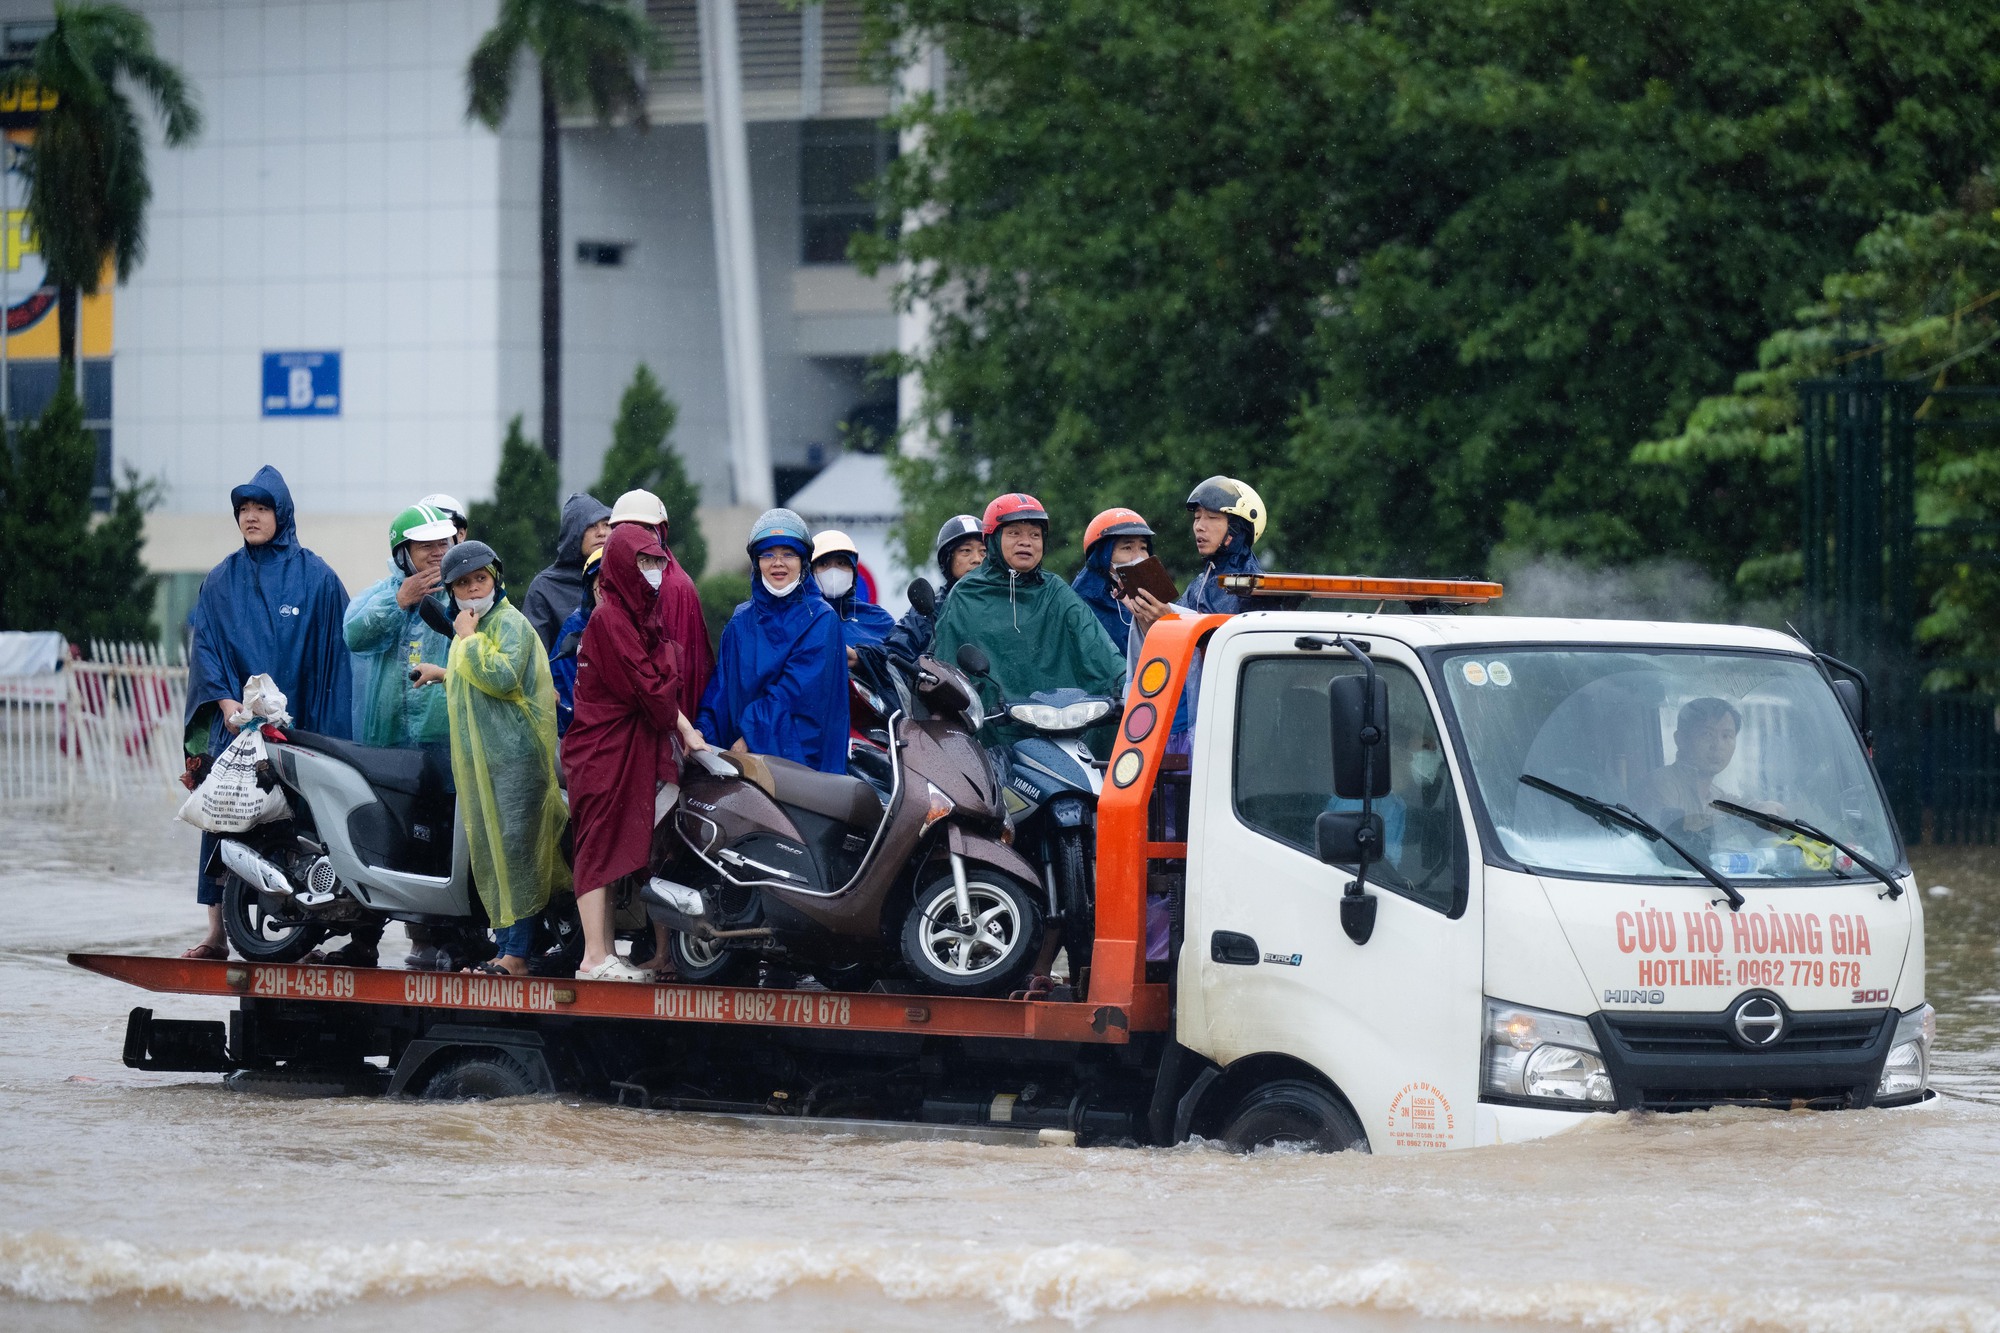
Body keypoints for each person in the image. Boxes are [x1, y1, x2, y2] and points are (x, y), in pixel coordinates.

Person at [181, 466, 352, 961]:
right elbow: (206, 647)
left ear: (282, 514)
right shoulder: (220, 580)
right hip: (233, 727)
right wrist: (226, 701)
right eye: (243, 510)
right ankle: (216, 933)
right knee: (223, 818)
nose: (251, 518)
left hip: (295, 732)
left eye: (261, 509)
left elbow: (339, 653)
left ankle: (305, 933)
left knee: (301, 829)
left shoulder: (316, 577)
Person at [565, 524, 710, 982]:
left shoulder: (637, 615)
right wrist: (669, 671)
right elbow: (653, 690)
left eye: (656, 562)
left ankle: (604, 953)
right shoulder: (611, 619)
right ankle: (594, 956)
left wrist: (684, 725)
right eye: (642, 563)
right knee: (597, 849)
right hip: (603, 753)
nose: (650, 572)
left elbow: (659, 686)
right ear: (622, 567)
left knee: (609, 852)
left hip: (621, 750)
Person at [421, 541, 570, 977]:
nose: (472, 589)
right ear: (451, 592)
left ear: (496, 579)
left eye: (479, 579)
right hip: (485, 766)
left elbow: (502, 678)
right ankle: (506, 947)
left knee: (517, 856)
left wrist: (465, 639)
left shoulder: (508, 624)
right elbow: (474, 686)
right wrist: (442, 672)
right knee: (495, 857)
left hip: (516, 763)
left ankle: (518, 953)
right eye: (463, 584)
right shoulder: (473, 629)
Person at [337, 501, 458, 970]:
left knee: (440, 840)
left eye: (442, 544)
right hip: (385, 744)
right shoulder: (378, 594)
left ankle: (437, 939)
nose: (435, 553)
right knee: (382, 838)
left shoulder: (461, 594)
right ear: (402, 551)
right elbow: (355, 635)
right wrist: (400, 600)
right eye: (425, 545)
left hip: (444, 745)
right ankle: (364, 938)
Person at [928, 493, 1128, 749]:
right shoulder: (965, 595)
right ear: (993, 539)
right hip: (990, 737)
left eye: (1035, 535)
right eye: (1014, 533)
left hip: (1061, 733)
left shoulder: (1056, 591)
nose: (1026, 542)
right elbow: (948, 671)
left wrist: (1130, 684)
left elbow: (1097, 648)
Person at [697, 509, 849, 773]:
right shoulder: (740, 621)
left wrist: (751, 735)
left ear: (803, 562)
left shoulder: (821, 619)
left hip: (795, 766)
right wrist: (701, 730)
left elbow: (796, 693)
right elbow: (721, 688)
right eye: (768, 554)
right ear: (757, 562)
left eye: (788, 554)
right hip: (739, 763)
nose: (778, 563)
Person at [610, 488, 715, 727]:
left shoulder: (676, 587)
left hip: (666, 722)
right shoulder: (612, 580)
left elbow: (685, 671)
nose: (637, 536)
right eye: (628, 527)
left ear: (661, 534)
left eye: (646, 528)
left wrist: (680, 729)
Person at [1633, 698, 1762, 850]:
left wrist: (1764, 808)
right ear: (1680, 739)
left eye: (1726, 736)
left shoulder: (1716, 795)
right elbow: (1670, 844)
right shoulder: (1662, 784)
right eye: (1707, 734)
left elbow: (1745, 807)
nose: (1717, 746)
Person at [878, 514, 983, 664]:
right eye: (966, 551)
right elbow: (896, 651)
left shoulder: (1007, 601)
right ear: (948, 559)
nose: (977, 559)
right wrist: (863, 657)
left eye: (984, 551)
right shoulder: (932, 609)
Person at [521, 492, 612, 649]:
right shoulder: (544, 587)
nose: (602, 532)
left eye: (607, 524)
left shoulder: (624, 577)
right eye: (591, 526)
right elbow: (534, 659)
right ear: (573, 533)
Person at [1071, 507, 1155, 650]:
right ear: (1102, 554)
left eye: (1143, 548)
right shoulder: (1079, 604)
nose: (1139, 558)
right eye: (1127, 548)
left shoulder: (1152, 595)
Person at [811, 529, 897, 659]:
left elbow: (896, 669)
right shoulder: (799, 618)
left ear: (854, 571)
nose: (833, 571)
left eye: (841, 563)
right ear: (811, 572)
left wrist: (860, 660)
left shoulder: (879, 619)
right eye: (824, 564)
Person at [550, 547, 604, 738]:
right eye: (601, 586)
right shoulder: (576, 627)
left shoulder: (646, 625)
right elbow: (565, 693)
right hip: (589, 740)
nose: (608, 594)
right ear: (590, 590)